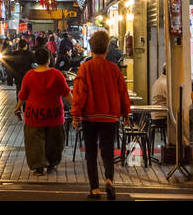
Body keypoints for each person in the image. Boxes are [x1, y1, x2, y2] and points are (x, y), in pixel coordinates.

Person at [72, 29, 131, 199]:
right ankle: (109, 180)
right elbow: (123, 92)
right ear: (107, 48)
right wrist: (126, 113)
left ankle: (94, 189)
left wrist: (76, 115)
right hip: (109, 117)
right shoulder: (114, 69)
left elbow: (79, 93)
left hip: (89, 117)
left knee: (90, 152)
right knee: (108, 151)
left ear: (91, 48)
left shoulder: (85, 68)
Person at [16, 46, 72, 175]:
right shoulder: (57, 74)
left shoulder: (29, 75)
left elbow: (23, 95)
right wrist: (76, 106)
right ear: (49, 59)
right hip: (54, 115)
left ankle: (39, 167)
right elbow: (66, 93)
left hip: (34, 115)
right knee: (55, 141)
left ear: (36, 60)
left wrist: (18, 107)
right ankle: (52, 164)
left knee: (34, 141)